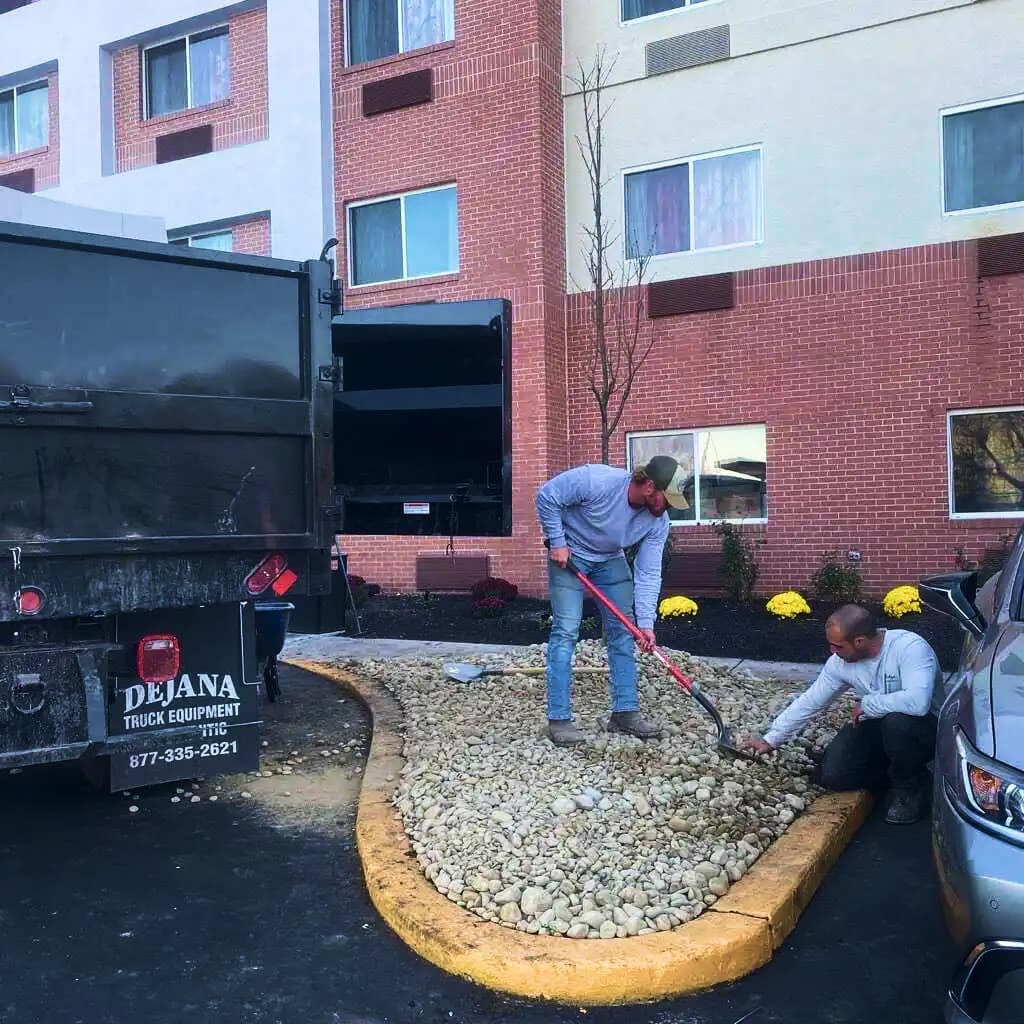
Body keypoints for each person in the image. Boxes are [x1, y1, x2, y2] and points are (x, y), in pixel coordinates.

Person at [535, 456, 690, 746]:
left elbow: (648, 572)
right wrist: (557, 541)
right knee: (566, 630)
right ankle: (559, 719)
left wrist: (645, 624)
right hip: (570, 555)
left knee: (624, 632)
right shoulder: (597, 481)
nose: (667, 507)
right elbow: (547, 496)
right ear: (649, 486)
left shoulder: (658, 522)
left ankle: (625, 713)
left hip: (609, 559)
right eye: (666, 499)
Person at [744, 604, 943, 824]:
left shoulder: (909, 648)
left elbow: (918, 703)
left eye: (837, 646)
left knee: (898, 723)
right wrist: (772, 738)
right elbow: (812, 700)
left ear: (859, 641)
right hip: (879, 724)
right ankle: (898, 772)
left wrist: (868, 705)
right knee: (834, 775)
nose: (832, 651)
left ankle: (910, 788)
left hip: (924, 728)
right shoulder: (840, 662)